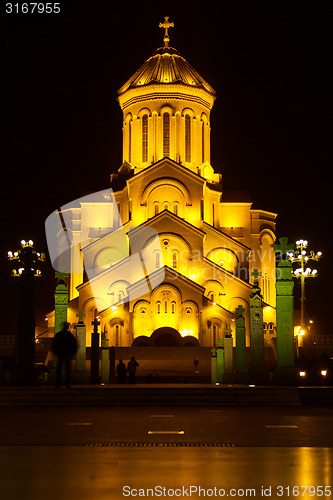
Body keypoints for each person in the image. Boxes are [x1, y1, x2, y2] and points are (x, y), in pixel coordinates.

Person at [53, 322, 77, 388]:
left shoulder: (59, 335)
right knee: (67, 369)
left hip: (60, 353)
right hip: (67, 354)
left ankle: (57, 383)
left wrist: (56, 352)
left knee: (59, 369)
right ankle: (67, 384)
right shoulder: (69, 335)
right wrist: (73, 352)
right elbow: (74, 344)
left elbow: (54, 344)